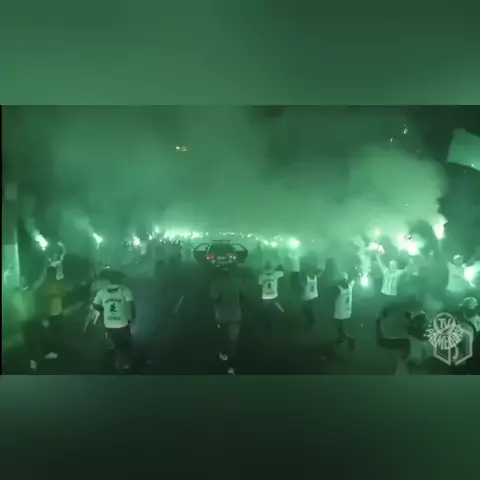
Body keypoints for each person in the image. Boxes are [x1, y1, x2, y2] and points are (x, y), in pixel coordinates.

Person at [376, 307, 436, 374]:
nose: (425, 325)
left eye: (425, 322)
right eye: (422, 322)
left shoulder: (431, 345)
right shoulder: (407, 342)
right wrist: (379, 322)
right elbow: (382, 342)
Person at [92, 281, 136, 371]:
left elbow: (95, 305)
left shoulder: (102, 291)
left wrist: (104, 309)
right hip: (122, 323)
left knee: (114, 344)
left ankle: (115, 363)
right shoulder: (125, 290)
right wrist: (132, 318)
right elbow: (131, 305)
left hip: (109, 324)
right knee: (125, 345)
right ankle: (124, 363)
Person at [210, 267, 244, 375]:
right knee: (233, 341)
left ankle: (223, 352)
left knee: (223, 336)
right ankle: (231, 367)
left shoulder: (215, 283)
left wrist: (216, 315)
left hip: (222, 316)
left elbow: (215, 300)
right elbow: (243, 296)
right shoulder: (238, 281)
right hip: (235, 315)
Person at [258, 261, 285, 332]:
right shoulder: (276, 273)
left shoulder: (262, 275)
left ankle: (267, 326)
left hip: (265, 296)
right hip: (274, 295)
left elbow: (260, 284)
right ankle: (274, 323)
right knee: (274, 310)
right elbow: (282, 271)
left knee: (266, 312)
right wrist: (279, 265)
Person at [333, 272, 356, 351]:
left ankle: (347, 339)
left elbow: (333, 298)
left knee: (339, 328)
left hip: (339, 311)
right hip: (347, 310)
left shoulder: (338, 288)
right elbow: (353, 280)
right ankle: (346, 339)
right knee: (341, 327)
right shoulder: (350, 286)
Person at [299, 266, 321, 330]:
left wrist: (301, 278)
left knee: (306, 309)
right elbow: (320, 272)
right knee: (310, 310)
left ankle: (311, 323)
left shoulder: (305, 279)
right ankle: (311, 322)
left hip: (307, 297)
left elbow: (302, 287)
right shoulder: (315, 277)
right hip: (314, 296)